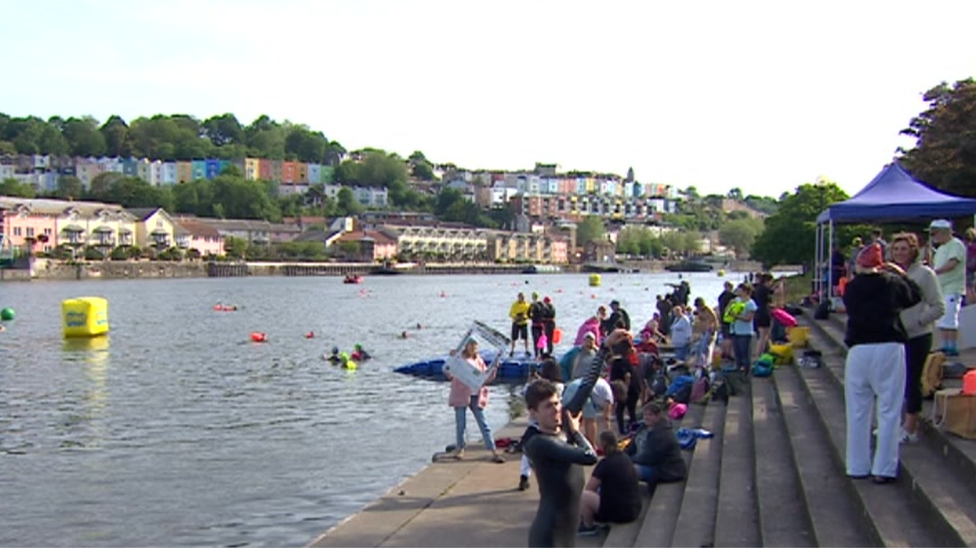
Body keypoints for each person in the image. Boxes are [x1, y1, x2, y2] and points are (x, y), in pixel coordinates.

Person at [843, 243, 920, 483]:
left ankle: (857, 465)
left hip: (858, 349)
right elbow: (914, 297)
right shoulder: (892, 283)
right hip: (888, 345)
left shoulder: (852, 289)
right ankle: (884, 468)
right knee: (888, 409)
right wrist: (901, 274)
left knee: (857, 411)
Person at [524, 379, 598, 548]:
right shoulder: (539, 443)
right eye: (548, 406)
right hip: (549, 537)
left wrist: (602, 354)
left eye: (557, 403)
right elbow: (590, 456)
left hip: (567, 535)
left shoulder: (563, 435)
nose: (555, 410)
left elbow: (586, 387)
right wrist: (576, 432)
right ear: (533, 413)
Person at [891, 233, 944, 444]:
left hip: (918, 336)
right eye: (896, 249)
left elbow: (938, 306)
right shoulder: (890, 274)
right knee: (895, 382)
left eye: (904, 249)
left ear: (913, 250)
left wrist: (918, 321)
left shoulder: (925, 274)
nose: (899, 253)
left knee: (912, 380)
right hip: (893, 336)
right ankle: (894, 424)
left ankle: (911, 428)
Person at [445, 339, 506, 463]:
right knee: (461, 424)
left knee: (483, 423)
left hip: (476, 394)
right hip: (461, 393)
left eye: (475, 346)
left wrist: (494, 368)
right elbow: (447, 372)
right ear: (466, 346)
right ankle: (460, 448)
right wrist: (451, 359)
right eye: (471, 346)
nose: (473, 348)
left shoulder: (478, 360)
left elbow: (486, 378)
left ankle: (493, 450)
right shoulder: (459, 358)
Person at [579, 431, 642, 532]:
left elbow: (590, 488)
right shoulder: (625, 457)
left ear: (603, 444)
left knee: (584, 497)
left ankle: (587, 526)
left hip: (619, 514)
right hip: (634, 510)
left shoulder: (605, 464)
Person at [519, 357, 565, 491]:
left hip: (535, 425)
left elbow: (524, 394)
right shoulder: (559, 386)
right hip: (553, 425)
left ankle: (524, 475)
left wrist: (531, 382)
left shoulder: (536, 387)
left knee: (527, 452)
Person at [929, 219, 968, 356]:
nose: (933, 237)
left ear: (944, 232)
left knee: (950, 318)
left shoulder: (956, 245)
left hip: (952, 287)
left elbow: (953, 263)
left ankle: (952, 345)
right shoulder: (941, 248)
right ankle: (945, 344)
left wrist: (936, 272)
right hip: (942, 288)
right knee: (943, 318)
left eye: (935, 234)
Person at [625, 402, 687, 485]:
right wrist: (621, 457)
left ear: (658, 416)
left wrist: (628, 461)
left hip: (666, 470)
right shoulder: (643, 428)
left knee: (628, 470)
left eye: (650, 415)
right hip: (647, 463)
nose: (646, 417)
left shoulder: (663, 434)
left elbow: (649, 458)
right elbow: (631, 447)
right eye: (645, 415)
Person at [562, 374, 615, 448]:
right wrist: (610, 435)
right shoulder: (609, 395)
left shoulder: (604, 385)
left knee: (574, 418)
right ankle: (592, 445)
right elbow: (606, 417)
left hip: (571, 388)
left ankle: (576, 440)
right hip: (581, 390)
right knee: (591, 419)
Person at [729, 284, 758, 373]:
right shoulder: (737, 301)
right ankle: (738, 369)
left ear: (745, 291)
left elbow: (749, 318)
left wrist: (736, 316)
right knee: (737, 353)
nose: (738, 291)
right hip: (735, 330)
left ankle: (746, 371)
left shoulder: (750, 303)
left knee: (745, 353)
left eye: (740, 290)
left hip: (745, 332)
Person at [752, 273, 773, 356]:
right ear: (767, 281)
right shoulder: (764, 289)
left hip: (758, 312)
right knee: (763, 336)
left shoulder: (757, 289)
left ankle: (763, 352)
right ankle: (759, 354)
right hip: (764, 313)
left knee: (762, 336)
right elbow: (771, 297)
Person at [716, 281, 735, 359]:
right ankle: (728, 353)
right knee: (729, 337)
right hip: (729, 317)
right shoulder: (731, 296)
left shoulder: (721, 296)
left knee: (724, 336)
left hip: (722, 317)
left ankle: (724, 352)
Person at [509, 292, 531, 356]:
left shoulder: (527, 305)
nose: (522, 299)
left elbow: (529, 314)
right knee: (514, 337)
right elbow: (510, 313)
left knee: (525, 337)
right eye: (521, 298)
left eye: (523, 298)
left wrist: (525, 317)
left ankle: (527, 350)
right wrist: (516, 316)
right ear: (518, 298)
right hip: (516, 322)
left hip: (523, 323)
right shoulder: (514, 305)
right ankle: (512, 350)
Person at [529, 292, 546, 358]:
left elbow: (544, 312)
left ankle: (540, 354)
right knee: (536, 340)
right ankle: (537, 354)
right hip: (535, 325)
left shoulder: (539, 305)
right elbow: (528, 313)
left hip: (539, 325)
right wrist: (532, 317)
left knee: (540, 340)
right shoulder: (532, 305)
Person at [965, 227, 976, 305]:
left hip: (967, 268)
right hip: (972, 268)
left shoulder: (966, 246)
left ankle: (970, 303)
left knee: (968, 287)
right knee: (971, 287)